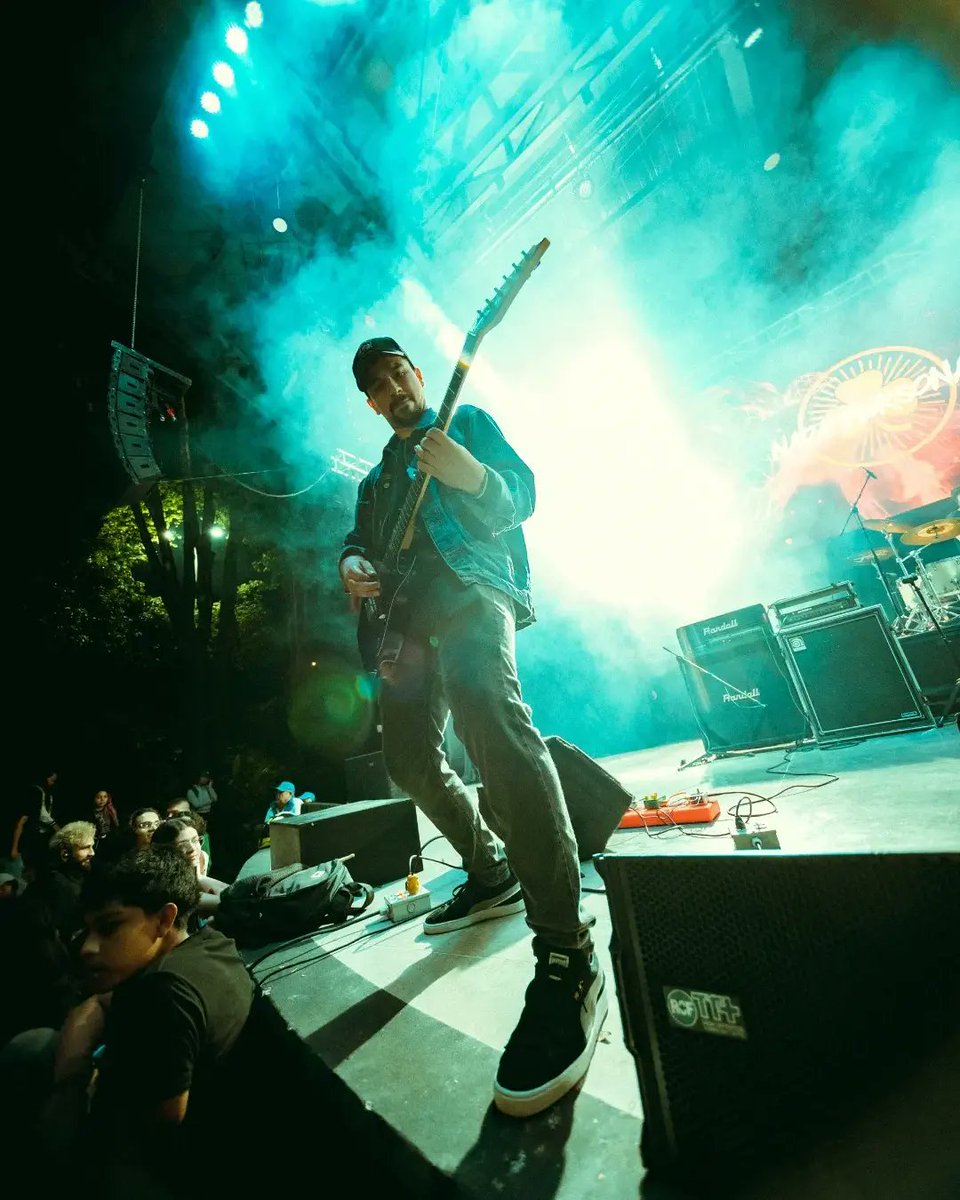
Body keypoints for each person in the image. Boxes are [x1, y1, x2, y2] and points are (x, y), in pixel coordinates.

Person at [339, 335, 604, 1118]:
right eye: (377, 385)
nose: (393, 387)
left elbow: (520, 496)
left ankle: (566, 949)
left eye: (398, 372)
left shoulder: (468, 422)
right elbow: (359, 544)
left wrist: (471, 475)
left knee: (489, 713)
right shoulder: (374, 482)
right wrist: (352, 566)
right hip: (405, 627)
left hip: (471, 592)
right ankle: (491, 870)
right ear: (370, 403)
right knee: (408, 761)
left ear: (417, 374)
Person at [31, 848, 254, 1192]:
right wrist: (70, 1080)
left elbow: (154, 1128)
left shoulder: (162, 995)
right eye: (88, 931)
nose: (88, 947)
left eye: (109, 927)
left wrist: (76, 1098)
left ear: (164, 919)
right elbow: (98, 1004)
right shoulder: (207, 946)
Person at [151, 817, 227, 920]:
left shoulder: (197, 863)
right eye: (183, 844)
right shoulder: (165, 881)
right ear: (166, 850)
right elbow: (226, 902)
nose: (192, 849)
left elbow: (227, 892)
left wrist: (199, 877)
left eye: (195, 840)